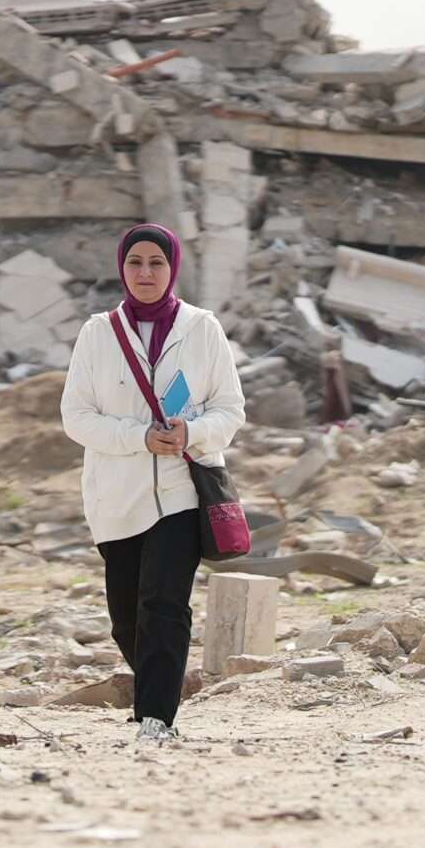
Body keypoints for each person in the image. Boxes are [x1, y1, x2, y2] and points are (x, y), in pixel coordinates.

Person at [58, 223, 246, 744]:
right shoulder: (98, 332)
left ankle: (155, 719)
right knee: (126, 616)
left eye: (156, 263)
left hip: (182, 491)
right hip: (117, 495)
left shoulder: (202, 328)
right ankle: (154, 693)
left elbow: (230, 410)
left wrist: (193, 430)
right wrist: (139, 437)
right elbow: (76, 417)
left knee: (165, 603)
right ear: (122, 267)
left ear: (173, 268)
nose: (145, 273)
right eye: (136, 262)